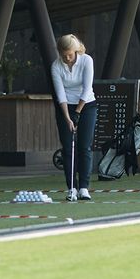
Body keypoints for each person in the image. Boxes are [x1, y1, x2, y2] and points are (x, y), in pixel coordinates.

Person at [51, 33, 97, 201]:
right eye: (64, 55)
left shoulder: (87, 61)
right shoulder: (56, 66)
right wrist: (67, 117)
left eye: (70, 54)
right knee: (68, 148)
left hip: (87, 105)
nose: (68, 58)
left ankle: (84, 187)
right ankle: (72, 188)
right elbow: (60, 94)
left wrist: (77, 113)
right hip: (65, 107)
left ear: (76, 50)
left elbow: (86, 88)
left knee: (84, 146)